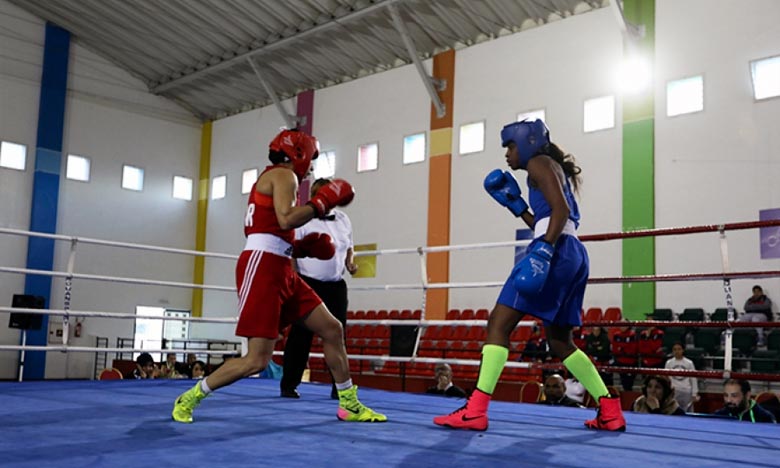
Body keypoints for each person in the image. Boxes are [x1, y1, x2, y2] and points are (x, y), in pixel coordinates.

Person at [171, 128, 385, 424]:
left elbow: (271, 228)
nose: (311, 166)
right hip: (262, 268)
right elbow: (285, 218)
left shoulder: (276, 179)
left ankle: (349, 404)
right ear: (298, 154)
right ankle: (191, 396)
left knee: (332, 329)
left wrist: (301, 248)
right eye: (311, 158)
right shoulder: (284, 176)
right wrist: (320, 204)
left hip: (280, 265)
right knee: (256, 360)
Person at [433, 120, 625, 432]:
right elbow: (549, 217)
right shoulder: (546, 166)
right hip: (573, 252)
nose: (507, 154)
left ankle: (476, 410)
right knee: (561, 341)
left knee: (498, 323)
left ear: (527, 142)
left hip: (556, 249)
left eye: (510, 146)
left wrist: (544, 250)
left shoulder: (538, 162)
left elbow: (560, 210)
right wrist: (517, 207)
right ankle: (610, 408)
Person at [281, 178, 359, 400]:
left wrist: (350, 263)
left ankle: (341, 387)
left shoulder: (344, 219)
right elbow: (291, 251)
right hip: (308, 283)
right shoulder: (303, 219)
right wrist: (293, 278)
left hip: (336, 285)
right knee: (301, 335)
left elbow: (349, 247)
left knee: (337, 335)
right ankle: (289, 385)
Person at [664, 342, 700, 411]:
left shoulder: (689, 363)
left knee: (687, 412)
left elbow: (693, 378)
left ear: (683, 350)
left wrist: (694, 393)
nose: (677, 351)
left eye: (679, 349)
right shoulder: (669, 363)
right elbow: (666, 378)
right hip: (674, 391)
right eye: (675, 349)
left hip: (686, 391)